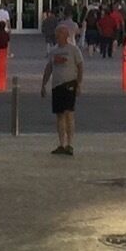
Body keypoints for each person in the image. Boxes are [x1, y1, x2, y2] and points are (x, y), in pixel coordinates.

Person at [41, 25, 84, 155]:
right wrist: (43, 84)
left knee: (68, 113)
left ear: (66, 35)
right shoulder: (54, 51)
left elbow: (80, 66)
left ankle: (70, 144)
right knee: (59, 115)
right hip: (57, 85)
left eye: (59, 34)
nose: (57, 36)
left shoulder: (73, 50)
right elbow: (49, 68)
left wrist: (79, 83)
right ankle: (61, 144)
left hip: (69, 84)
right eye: (56, 34)